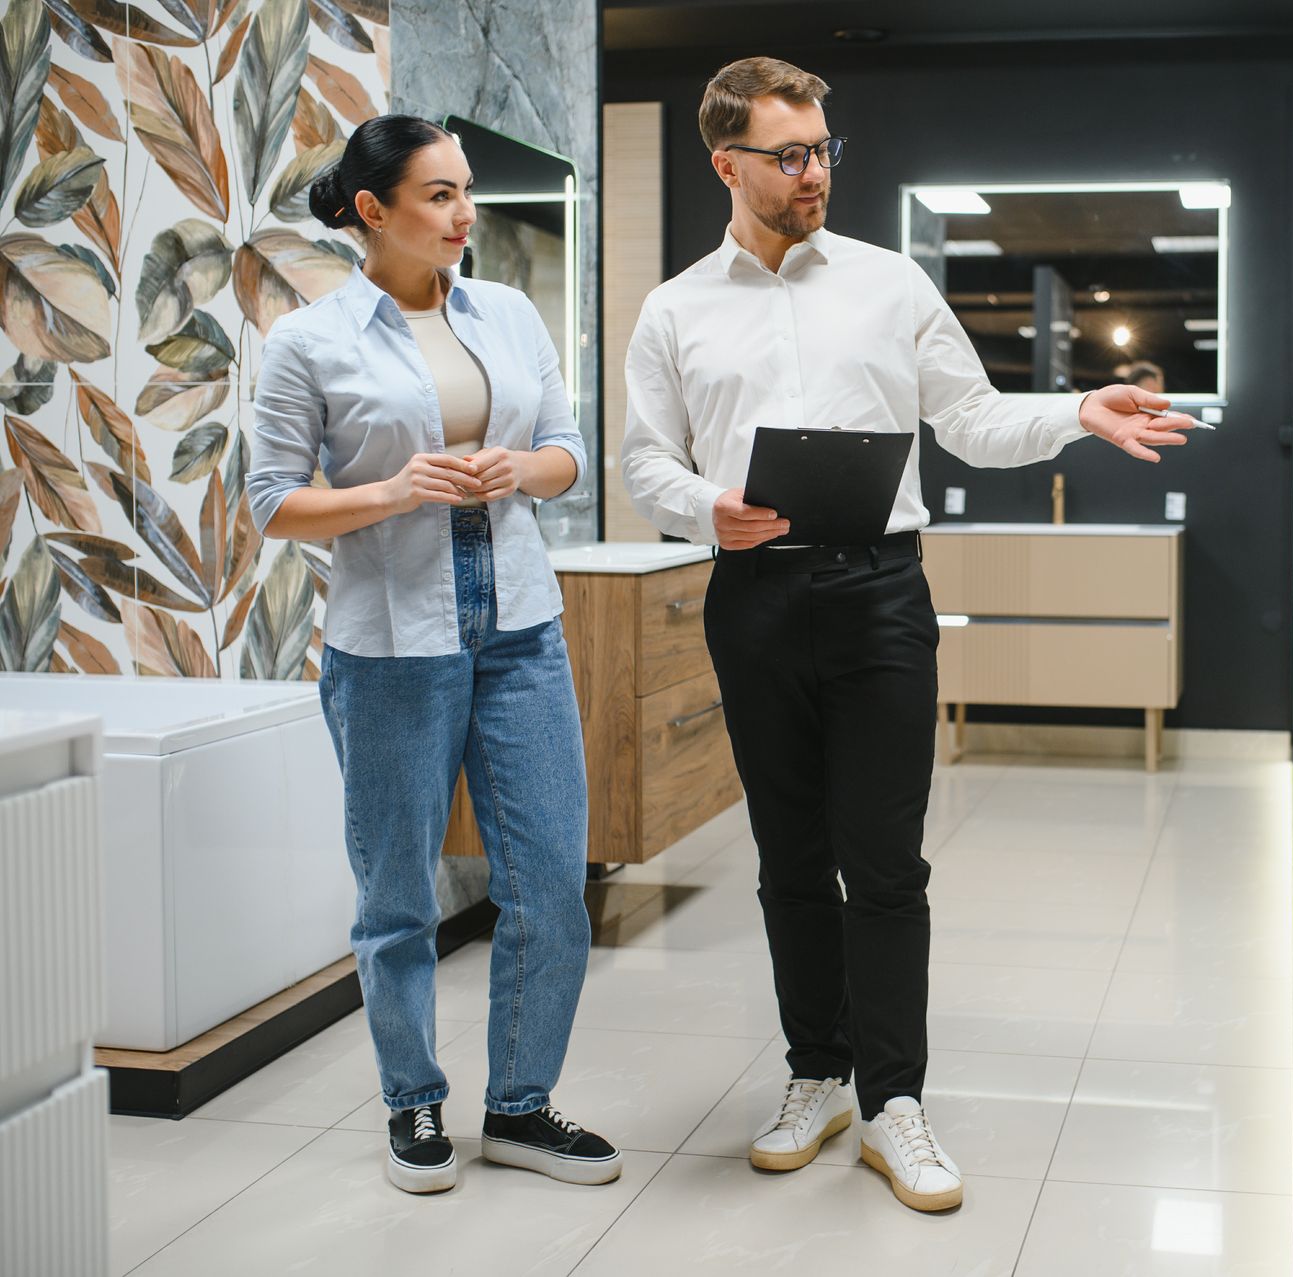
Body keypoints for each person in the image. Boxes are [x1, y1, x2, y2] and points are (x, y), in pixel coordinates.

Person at [620, 57, 1197, 1212]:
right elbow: (645, 461)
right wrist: (705, 510)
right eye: (788, 155)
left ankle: (894, 1101)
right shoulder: (675, 308)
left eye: (825, 149)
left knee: (884, 861)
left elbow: (975, 424)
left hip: (883, 593)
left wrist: (1077, 410)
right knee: (788, 858)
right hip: (756, 596)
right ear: (725, 163)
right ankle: (815, 1075)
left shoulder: (890, 286)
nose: (814, 173)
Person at [246, 114, 621, 1195]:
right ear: (374, 210)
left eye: (468, 192)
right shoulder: (310, 339)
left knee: (550, 881)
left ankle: (520, 1105)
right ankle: (414, 1099)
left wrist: (516, 470)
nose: (467, 214)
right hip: (389, 643)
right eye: (442, 195)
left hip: (518, 629)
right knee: (397, 893)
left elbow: (568, 456)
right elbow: (273, 502)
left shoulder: (506, 312)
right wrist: (390, 489)